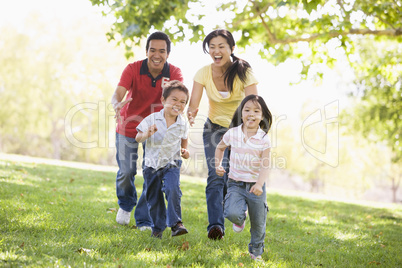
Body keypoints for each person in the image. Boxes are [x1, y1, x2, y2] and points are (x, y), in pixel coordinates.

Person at [187, 29, 258, 239]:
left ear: (231, 49)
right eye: (212, 47)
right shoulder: (203, 73)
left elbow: (254, 104)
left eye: (221, 46)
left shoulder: (245, 72)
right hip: (214, 129)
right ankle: (215, 227)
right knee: (215, 175)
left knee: (232, 178)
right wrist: (191, 114)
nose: (216, 51)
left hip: (239, 131)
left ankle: (237, 210)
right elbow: (194, 103)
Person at [112, 31, 184, 229]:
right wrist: (116, 104)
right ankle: (126, 204)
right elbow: (118, 93)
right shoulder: (133, 69)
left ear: (168, 54)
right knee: (126, 171)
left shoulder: (175, 73)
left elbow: (178, 99)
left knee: (151, 174)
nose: (157, 55)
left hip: (157, 130)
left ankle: (144, 218)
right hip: (128, 126)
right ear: (146, 51)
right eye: (152, 50)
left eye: (162, 51)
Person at [215, 94, 272, 261]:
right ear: (241, 114)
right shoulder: (232, 133)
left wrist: (260, 184)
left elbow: (266, 164)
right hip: (235, 183)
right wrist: (218, 165)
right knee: (232, 212)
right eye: (247, 110)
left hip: (256, 186)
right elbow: (220, 148)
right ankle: (240, 219)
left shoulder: (263, 139)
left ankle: (256, 252)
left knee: (258, 222)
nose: (251, 114)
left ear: (262, 116)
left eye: (256, 111)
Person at [135, 80, 190, 238]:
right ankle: (158, 228)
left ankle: (176, 224)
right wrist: (146, 134)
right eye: (174, 99)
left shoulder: (182, 123)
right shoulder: (152, 119)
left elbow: (184, 141)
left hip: (172, 164)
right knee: (154, 198)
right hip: (151, 166)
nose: (178, 104)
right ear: (163, 100)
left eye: (182, 102)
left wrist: (185, 152)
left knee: (173, 189)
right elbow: (137, 137)